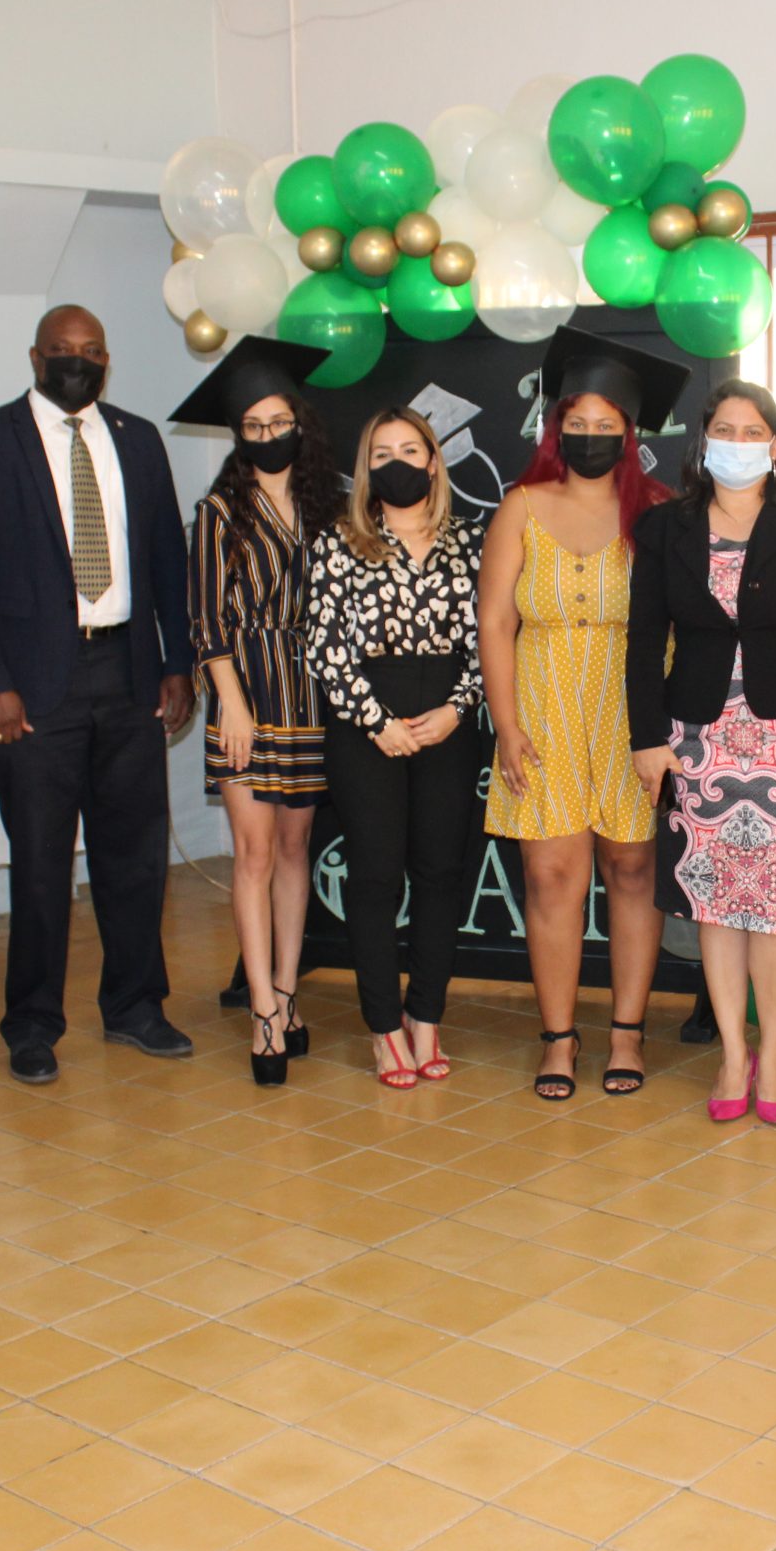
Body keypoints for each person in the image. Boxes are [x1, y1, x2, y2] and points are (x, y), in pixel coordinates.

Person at [0, 304, 197, 1084]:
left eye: (91, 350)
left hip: (128, 671)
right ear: (35, 357)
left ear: (107, 360)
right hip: (32, 686)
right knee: (42, 862)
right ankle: (32, 1023)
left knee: (136, 856)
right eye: (61, 350)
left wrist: (176, 661)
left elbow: (168, 558)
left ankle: (136, 1006)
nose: (76, 362)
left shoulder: (137, 439)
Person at [629, 379, 776, 1124]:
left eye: (752, 430)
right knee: (717, 904)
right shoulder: (665, 527)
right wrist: (647, 739)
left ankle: (775, 1054)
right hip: (697, 742)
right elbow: (642, 642)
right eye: (723, 429)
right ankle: (733, 1054)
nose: (736, 442)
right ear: (704, 440)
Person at [484, 329, 683, 1103]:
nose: (591, 436)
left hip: (631, 712)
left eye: (607, 425)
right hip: (541, 708)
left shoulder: (657, 512)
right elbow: (496, 621)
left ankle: (627, 1032)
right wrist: (506, 724)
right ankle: (559, 1038)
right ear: (555, 427)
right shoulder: (521, 506)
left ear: (630, 433)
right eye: (579, 422)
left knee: (632, 868)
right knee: (551, 875)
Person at [306, 408, 484, 1088]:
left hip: (447, 719)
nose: (398, 462)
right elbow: (324, 645)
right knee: (376, 877)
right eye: (383, 453)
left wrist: (458, 707)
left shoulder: (471, 541)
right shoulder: (338, 541)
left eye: (411, 449)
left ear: (434, 462)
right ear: (366, 467)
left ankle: (426, 1016)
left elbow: (494, 635)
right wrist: (375, 720)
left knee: (440, 873)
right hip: (365, 725)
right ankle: (384, 1028)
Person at [176, 338, 338, 1086]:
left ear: (299, 422)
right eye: (255, 426)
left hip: (309, 693)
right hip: (245, 693)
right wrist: (232, 706)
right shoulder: (220, 513)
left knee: (296, 850)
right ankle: (262, 1012)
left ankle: (289, 991)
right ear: (238, 435)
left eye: (280, 422)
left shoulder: (323, 504)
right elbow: (206, 621)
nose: (270, 436)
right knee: (254, 853)